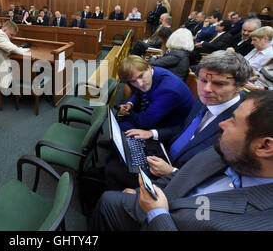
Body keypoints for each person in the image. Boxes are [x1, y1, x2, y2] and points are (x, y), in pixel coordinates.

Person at [90, 90, 273, 231]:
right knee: (108, 199)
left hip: (162, 220)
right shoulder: (229, 150)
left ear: (265, 147)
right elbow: (186, 174)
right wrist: (140, 193)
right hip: (154, 203)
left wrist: (157, 214)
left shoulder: (261, 222)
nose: (222, 124)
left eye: (233, 121)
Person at [105, 51, 251, 191]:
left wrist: (171, 171)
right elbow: (183, 128)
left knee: (115, 171)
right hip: (165, 151)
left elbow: (218, 178)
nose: (206, 89)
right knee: (120, 154)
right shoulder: (204, 99)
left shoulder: (240, 123)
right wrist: (152, 133)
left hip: (179, 177)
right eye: (203, 80)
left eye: (219, 84)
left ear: (240, 87)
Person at [0, 21, 27, 89]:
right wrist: (25, 50)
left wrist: (18, 48)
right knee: (25, 69)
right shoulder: (0, 35)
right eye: (11, 35)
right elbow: (13, 49)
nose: (13, 37)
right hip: (0, 69)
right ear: (4, 30)